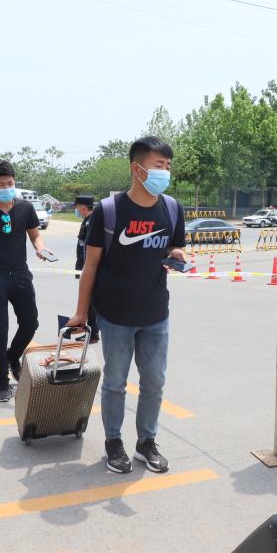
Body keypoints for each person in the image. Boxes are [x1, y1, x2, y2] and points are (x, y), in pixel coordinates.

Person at [66, 136, 187, 475]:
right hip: (115, 315)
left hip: (156, 314)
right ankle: (114, 442)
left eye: (168, 166)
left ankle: (146, 442)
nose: (165, 172)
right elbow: (90, 266)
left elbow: (172, 248)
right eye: (159, 165)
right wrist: (81, 312)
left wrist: (176, 254)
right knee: (115, 383)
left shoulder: (172, 208)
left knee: (154, 383)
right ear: (137, 169)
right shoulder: (109, 211)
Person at [0, 159, 53, 402]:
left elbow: (35, 236)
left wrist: (40, 248)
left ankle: (12, 355)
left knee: (30, 322)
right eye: (1, 184)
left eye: (10, 183)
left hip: (20, 273)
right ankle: (1, 381)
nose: (7, 187)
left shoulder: (26, 208)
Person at [73, 195, 99, 344]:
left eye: (76, 207)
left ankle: (93, 333)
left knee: (90, 303)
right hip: (84, 267)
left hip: (88, 268)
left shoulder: (92, 222)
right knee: (89, 302)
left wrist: (85, 268)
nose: (76, 210)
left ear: (83, 207)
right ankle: (91, 331)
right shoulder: (87, 220)